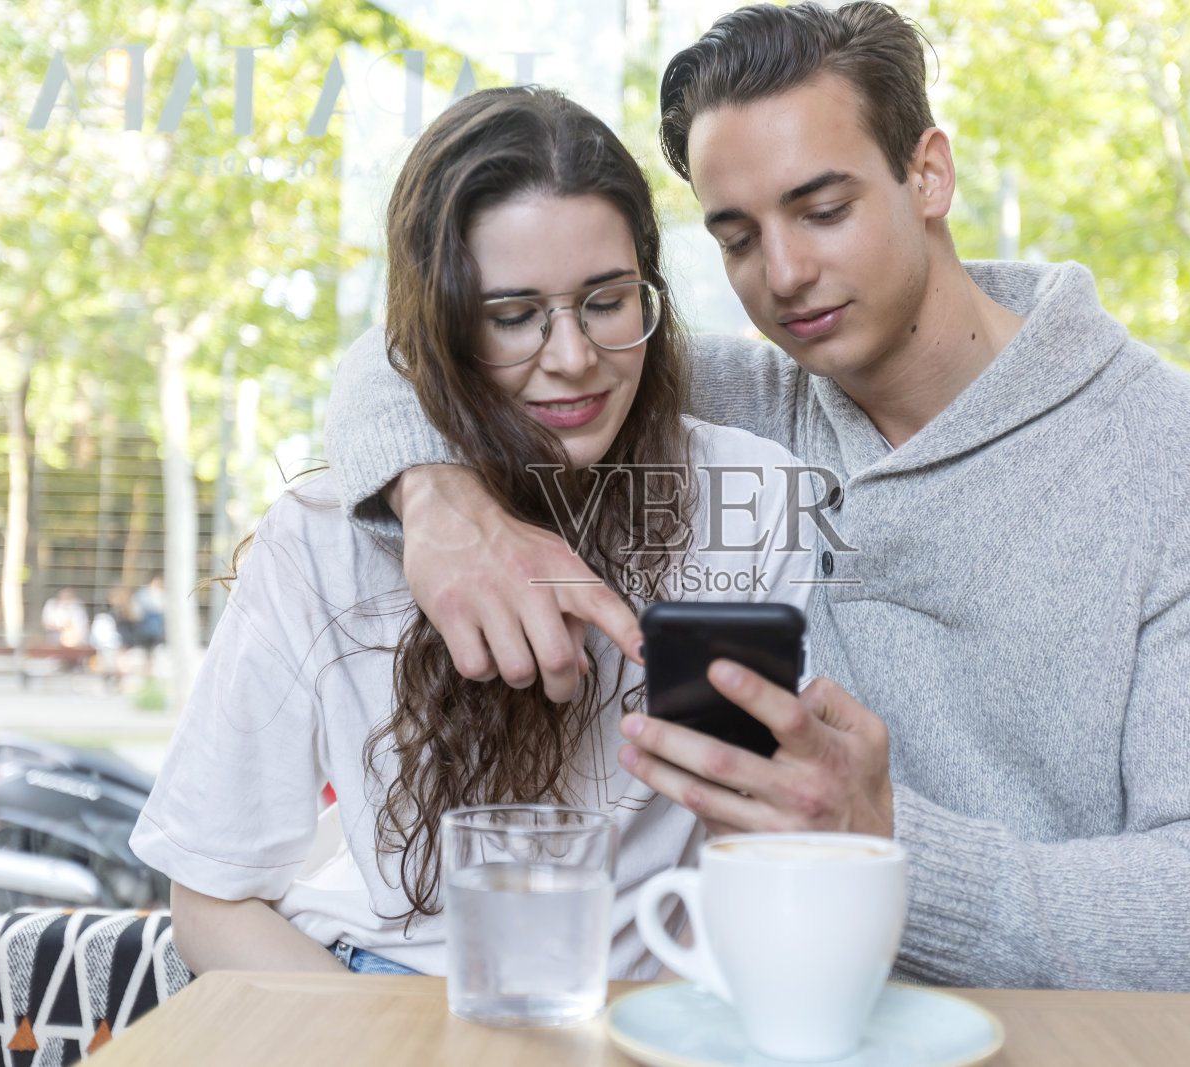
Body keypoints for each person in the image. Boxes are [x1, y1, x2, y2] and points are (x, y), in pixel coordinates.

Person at [322, 2, 1190, 994]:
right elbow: (409, 349)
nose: (785, 274)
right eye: (738, 236)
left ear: (927, 172)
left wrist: (885, 842)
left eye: (823, 208)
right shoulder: (722, 411)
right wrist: (439, 500)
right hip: (757, 1026)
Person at [130, 86, 815, 978]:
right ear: (440, 325)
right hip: (374, 992)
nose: (571, 357)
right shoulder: (328, 533)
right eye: (510, 316)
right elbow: (213, 897)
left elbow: (756, 850)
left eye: (606, 301)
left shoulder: (749, 498)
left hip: (633, 1010)